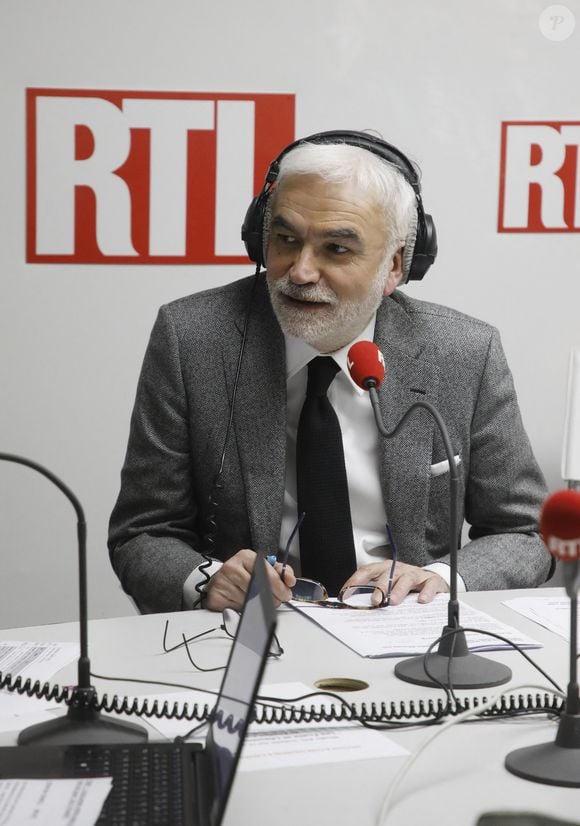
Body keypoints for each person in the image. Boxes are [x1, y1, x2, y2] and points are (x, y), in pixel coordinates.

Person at [108, 131, 552, 615]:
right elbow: (144, 532)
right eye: (285, 239)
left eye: (336, 250)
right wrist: (206, 580)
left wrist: (439, 581)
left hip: (404, 630)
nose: (299, 271)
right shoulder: (193, 338)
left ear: (396, 267)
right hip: (252, 630)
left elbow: (526, 534)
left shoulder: (463, 352)